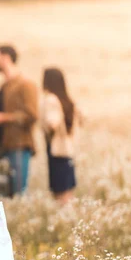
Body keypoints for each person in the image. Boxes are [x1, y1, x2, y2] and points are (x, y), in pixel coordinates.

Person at [0, 45, 39, 196]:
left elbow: (32, 115)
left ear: (6, 58)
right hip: (3, 145)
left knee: (19, 193)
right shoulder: (4, 86)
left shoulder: (26, 84)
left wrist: (4, 117)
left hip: (19, 145)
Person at [41, 67, 79, 204]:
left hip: (56, 150)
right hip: (68, 149)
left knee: (59, 191)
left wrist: (50, 124)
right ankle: (70, 218)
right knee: (68, 189)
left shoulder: (50, 99)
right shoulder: (66, 99)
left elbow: (53, 121)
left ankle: (66, 219)